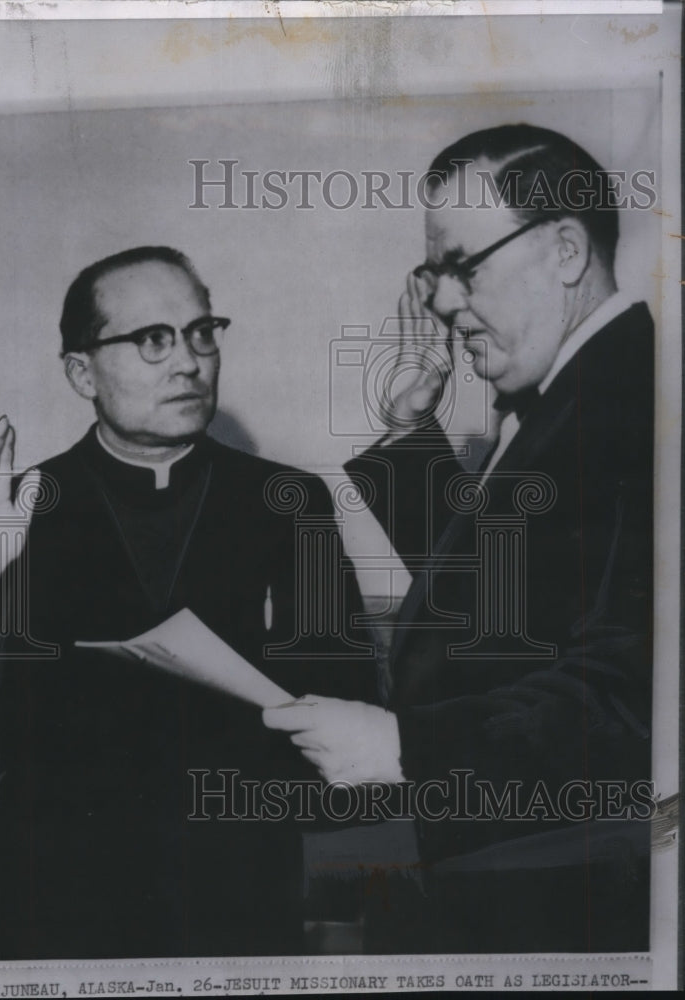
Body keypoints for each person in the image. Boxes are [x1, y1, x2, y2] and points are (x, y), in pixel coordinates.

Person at [264, 124, 654, 953]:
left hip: (568, 899)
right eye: (432, 274)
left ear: (563, 249)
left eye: (463, 266)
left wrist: (402, 744)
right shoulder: (582, 393)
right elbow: (514, 605)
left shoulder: (635, 398)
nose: (440, 302)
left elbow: (632, 698)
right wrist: (411, 432)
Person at [0, 246, 379, 960]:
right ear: (82, 372)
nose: (188, 362)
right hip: (52, 902)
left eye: (201, 333)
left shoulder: (289, 503)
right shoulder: (6, 511)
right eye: (151, 339)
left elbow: (351, 727)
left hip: (234, 898)